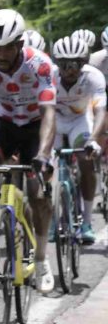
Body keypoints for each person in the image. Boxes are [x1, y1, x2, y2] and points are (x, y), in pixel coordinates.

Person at [0, 8, 56, 293]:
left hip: (34, 126)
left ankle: (41, 261)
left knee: (38, 195)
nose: (1, 54)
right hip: (3, 124)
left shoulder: (40, 65)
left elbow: (49, 113)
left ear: (20, 45)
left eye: (7, 48)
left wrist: (43, 154)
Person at [51, 36, 105, 244]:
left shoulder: (94, 77)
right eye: (64, 64)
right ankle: (53, 219)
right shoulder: (48, 77)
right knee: (48, 166)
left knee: (86, 160)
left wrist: (93, 139)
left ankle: (87, 222)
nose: (69, 70)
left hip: (80, 120)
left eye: (74, 64)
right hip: (54, 120)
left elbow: (100, 110)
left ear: (83, 64)